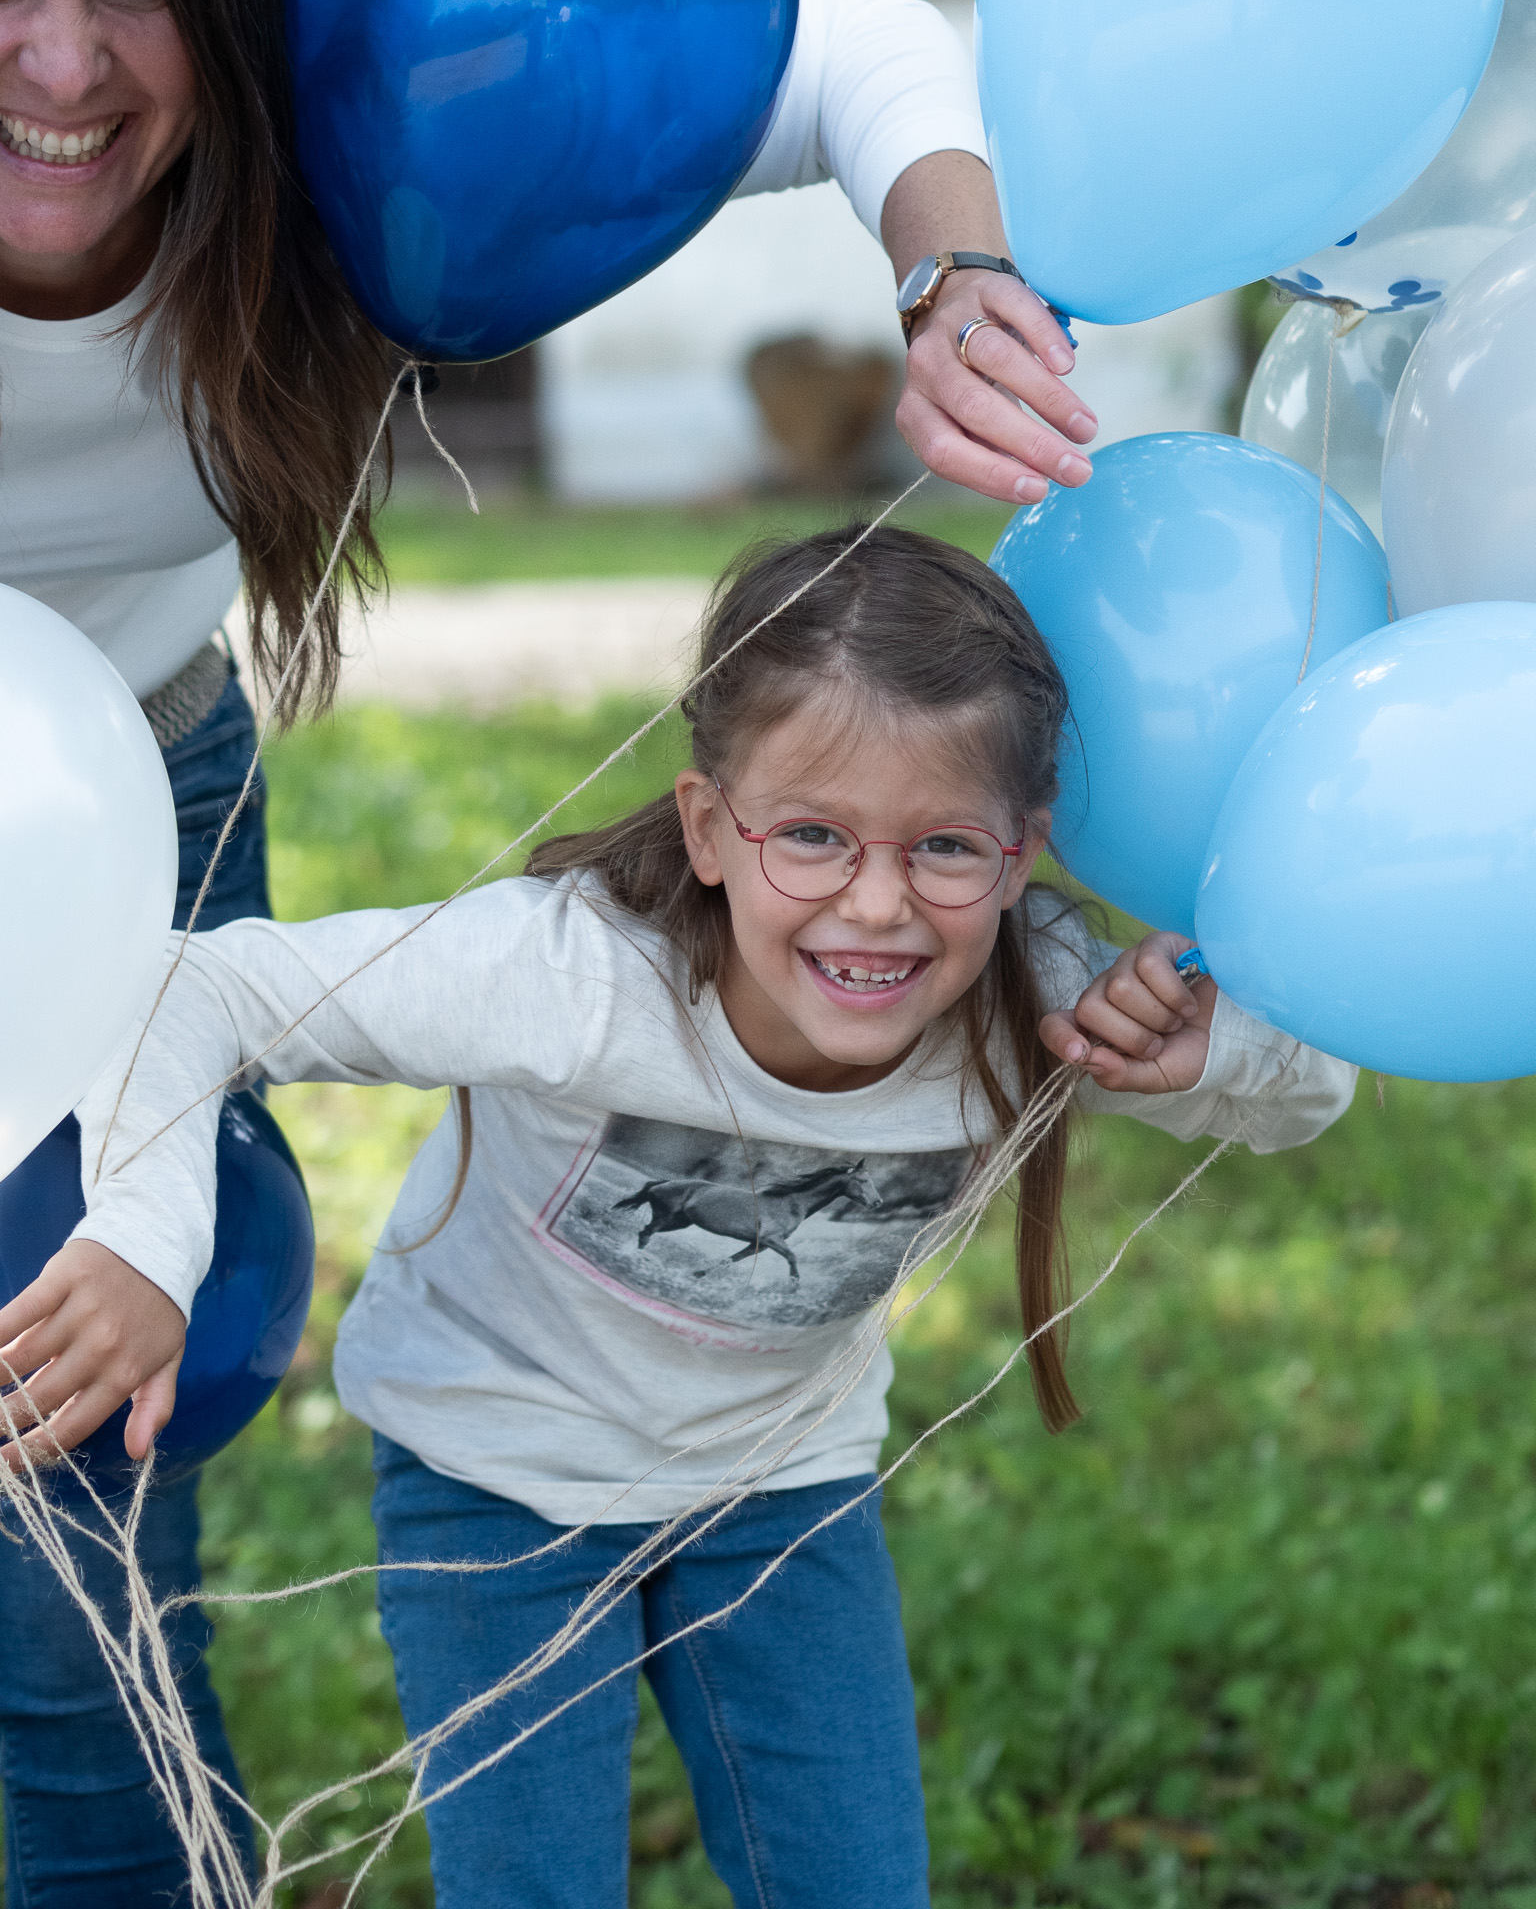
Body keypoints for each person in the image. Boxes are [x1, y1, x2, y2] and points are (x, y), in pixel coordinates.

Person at [0, 0, 1102, 1892]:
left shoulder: (325, 133)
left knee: (67, 1547)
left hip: (130, 797)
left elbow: (850, 44)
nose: (63, 64)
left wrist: (955, 287)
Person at [27, 527, 1360, 1907]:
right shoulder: (571, 977)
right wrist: (145, 1242)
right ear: (711, 827)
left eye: (947, 847)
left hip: (782, 1489)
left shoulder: (1037, 1004)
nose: (881, 904)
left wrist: (1205, 1048)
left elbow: (1314, 1085)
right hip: (498, 1480)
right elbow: (200, 989)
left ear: (1024, 855)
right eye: (813, 837)